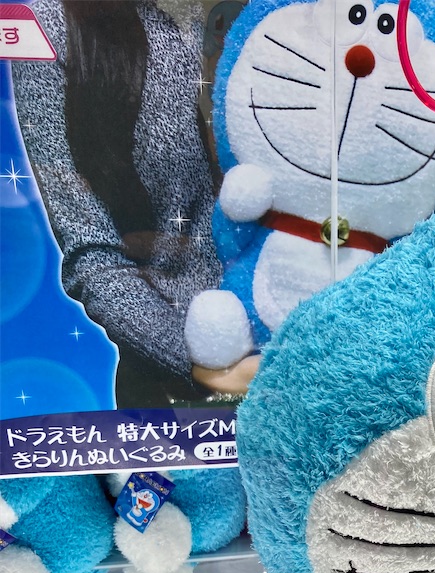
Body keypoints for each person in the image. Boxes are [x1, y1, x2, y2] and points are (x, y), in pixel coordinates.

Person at [11, 0, 256, 406]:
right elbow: (93, 256)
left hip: (290, 347)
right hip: (176, 389)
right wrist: (205, 366)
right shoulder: (49, 20)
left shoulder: (264, 12)